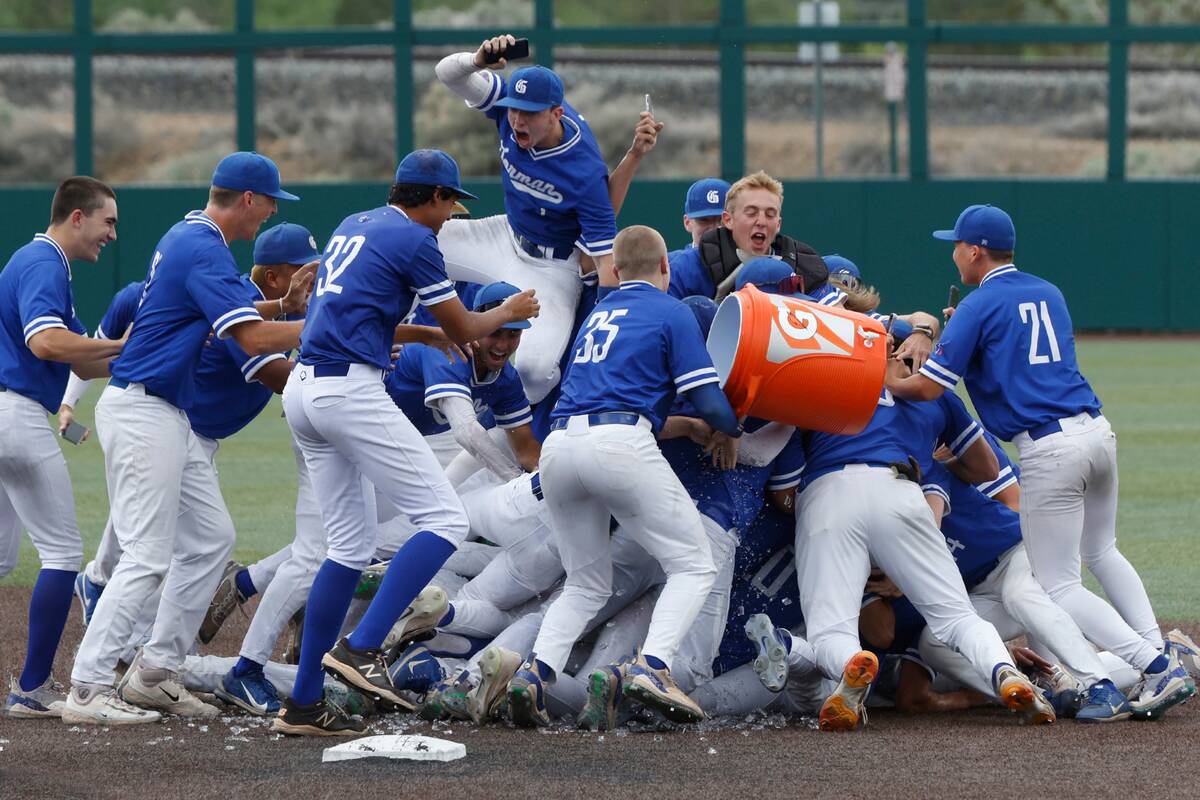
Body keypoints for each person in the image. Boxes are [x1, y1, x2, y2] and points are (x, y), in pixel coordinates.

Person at [886, 203, 1195, 720]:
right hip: (1096, 430)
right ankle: (1155, 650)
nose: (955, 253)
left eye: (958, 245)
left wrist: (888, 381)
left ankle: (1156, 664)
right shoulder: (1047, 290)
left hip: (1050, 447)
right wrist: (969, 332)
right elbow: (1018, 356)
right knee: (1102, 550)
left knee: (1057, 586)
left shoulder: (981, 305)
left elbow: (929, 386)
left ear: (976, 251)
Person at [275, 149, 538, 736]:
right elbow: (468, 327)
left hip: (303, 388)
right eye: (450, 204)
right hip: (349, 390)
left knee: (346, 548)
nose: (450, 217)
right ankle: (361, 647)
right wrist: (510, 309)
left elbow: (348, 313)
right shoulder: (418, 240)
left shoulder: (355, 224)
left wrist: (424, 331)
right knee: (443, 519)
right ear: (435, 197)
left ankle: (304, 701)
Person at [64, 152, 311, 726]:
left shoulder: (193, 237)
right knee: (148, 554)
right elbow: (249, 339)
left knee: (210, 539)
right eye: (271, 201)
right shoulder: (202, 244)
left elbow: (229, 312)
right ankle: (88, 684)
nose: (271, 212)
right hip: (143, 408)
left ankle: (154, 673)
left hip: (165, 410)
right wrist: (322, 321)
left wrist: (285, 305)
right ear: (248, 199)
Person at [501, 225, 742, 727]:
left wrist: (690, 425)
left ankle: (534, 674)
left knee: (587, 582)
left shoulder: (597, 313)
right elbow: (708, 399)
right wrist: (729, 429)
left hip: (562, 446)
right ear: (666, 268)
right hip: (618, 444)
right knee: (694, 563)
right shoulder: (671, 308)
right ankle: (653, 667)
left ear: (614, 270)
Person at [433, 35, 618, 403]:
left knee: (535, 372)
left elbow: (605, 260)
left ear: (556, 113)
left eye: (530, 112)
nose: (517, 118)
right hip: (503, 235)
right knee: (403, 243)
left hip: (551, 269)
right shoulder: (507, 109)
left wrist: (613, 323)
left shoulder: (584, 169)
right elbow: (446, 74)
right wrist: (478, 59)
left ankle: (505, 432)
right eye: (515, 108)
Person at [0, 177, 125, 718]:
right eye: (108, 222)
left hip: (9, 411)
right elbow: (45, 341)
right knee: (63, 555)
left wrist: (137, 357)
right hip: (17, 416)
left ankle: (30, 687)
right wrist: (124, 343)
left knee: (3, 560)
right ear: (77, 217)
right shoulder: (44, 263)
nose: (112, 235)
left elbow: (79, 360)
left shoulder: (42, 262)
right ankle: (31, 689)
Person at [666, 171, 828, 302]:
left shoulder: (804, 265)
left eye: (770, 215)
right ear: (729, 219)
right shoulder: (688, 266)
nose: (761, 221)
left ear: (778, 224)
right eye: (751, 213)